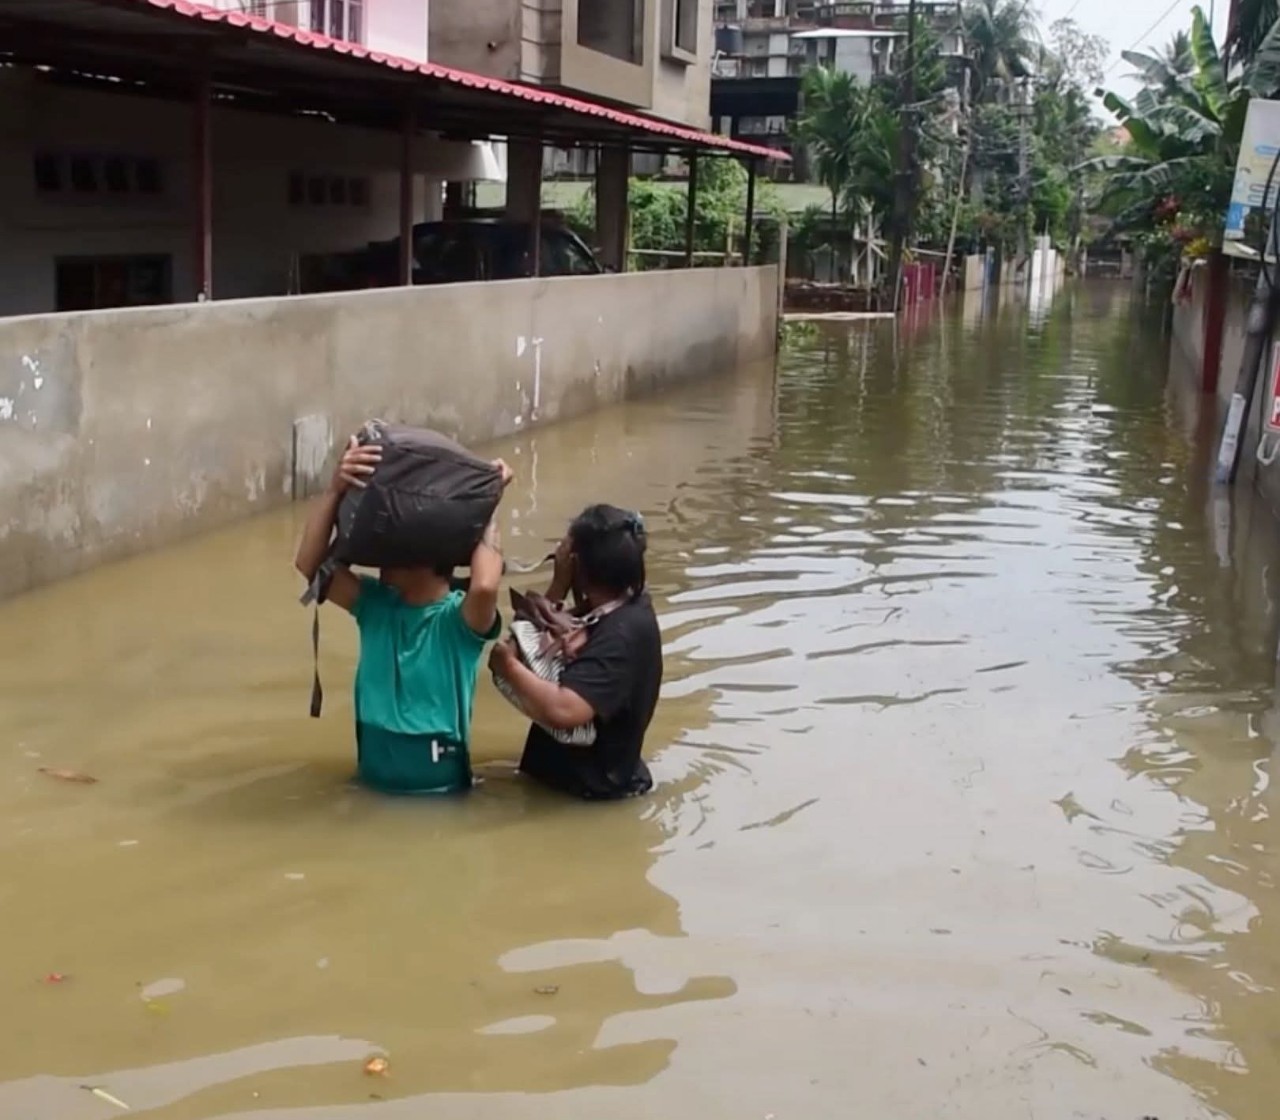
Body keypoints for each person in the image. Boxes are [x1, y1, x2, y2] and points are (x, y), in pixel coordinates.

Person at [295, 434, 513, 795]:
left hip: (437, 782)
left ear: (426, 559)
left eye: (391, 557)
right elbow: (309, 564)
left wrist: (487, 502)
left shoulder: (458, 623)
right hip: (374, 772)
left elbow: (486, 584)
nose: (381, 565)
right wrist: (335, 490)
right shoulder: (376, 607)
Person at [490, 504, 662, 800]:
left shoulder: (619, 634)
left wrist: (508, 667)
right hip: (579, 785)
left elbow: (565, 710)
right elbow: (529, 635)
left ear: (577, 563)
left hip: (586, 795)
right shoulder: (622, 606)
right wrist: (559, 586)